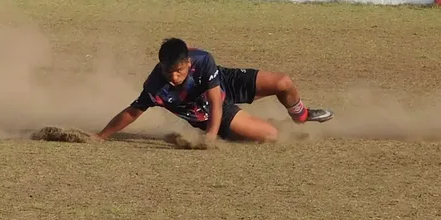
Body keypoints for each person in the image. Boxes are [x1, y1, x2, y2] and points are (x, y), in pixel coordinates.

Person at [95, 38, 333, 144]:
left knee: (283, 82)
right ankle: (246, 128)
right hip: (205, 110)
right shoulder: (155, 86)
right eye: (169, 72)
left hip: (221, 84)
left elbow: (216, 98)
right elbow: (132, 112)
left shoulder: (203, 60)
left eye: (179, 71)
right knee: (271, 135)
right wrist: (102, 136)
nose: (174, 77)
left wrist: (208, 138)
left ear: (188, 62)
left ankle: (301, 115)